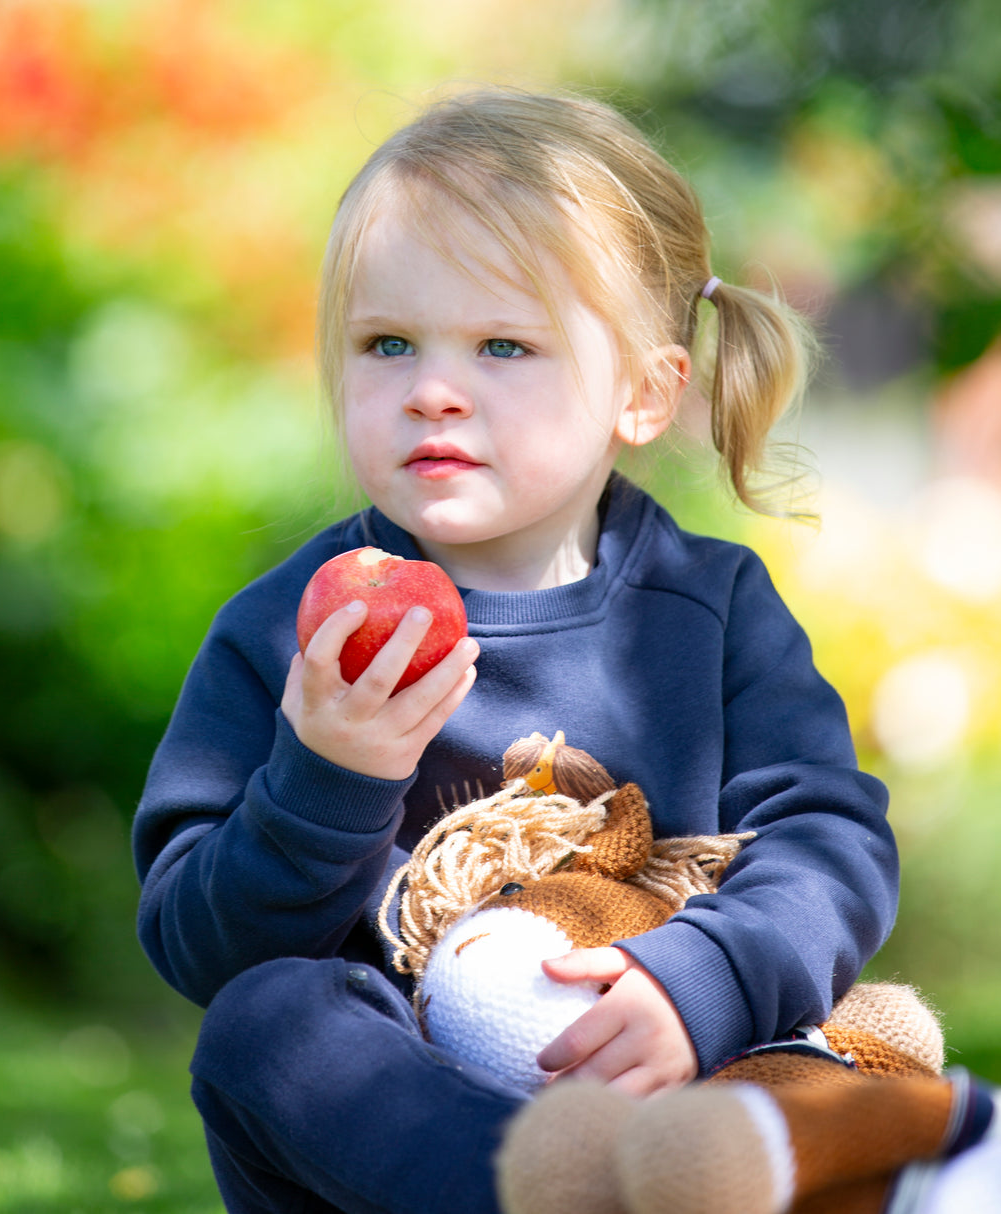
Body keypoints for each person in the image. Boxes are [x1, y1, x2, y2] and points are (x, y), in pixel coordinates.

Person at [132, 87, 899, 1214]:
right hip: (410, 1134)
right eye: (386, 342)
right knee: (264, 1022)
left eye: (503, 345)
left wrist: (699, 982)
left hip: (659, 1066)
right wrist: (324, 774)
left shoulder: (708, 607)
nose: (433, 390)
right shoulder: (292, 629)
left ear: (642, 393)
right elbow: (201, 944)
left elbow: (827, 840)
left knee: (847, 1065)